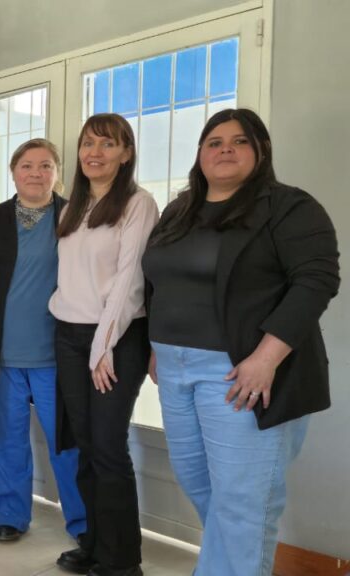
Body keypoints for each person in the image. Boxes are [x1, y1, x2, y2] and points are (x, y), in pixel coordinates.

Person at [143, 108, 339, 576]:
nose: (225, 149)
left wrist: (266, 358)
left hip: (240, 371)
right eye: (214, 142)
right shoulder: (179, 211)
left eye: (240, 141)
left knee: (243, 502)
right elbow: (160, 283)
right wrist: (156, 346)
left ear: (261, 151)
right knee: (200, 484)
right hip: (174, 369)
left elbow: (316, 280)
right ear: (200, 154)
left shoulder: (289, 207)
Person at [0, 139, 86, 543]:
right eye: (27, 165)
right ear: (13, 172)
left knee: (67, 443)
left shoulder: (75, 217)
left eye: (45, 165)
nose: (36, 173)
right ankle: (11, 516)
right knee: (7, 439)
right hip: (1, 355)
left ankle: (82, 523)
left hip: (57, 355)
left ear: (57, 174)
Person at [49, 113, 158, 576]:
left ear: (126, 153)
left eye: (108, 144)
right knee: (86, 446)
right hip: (70, 336)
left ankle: (122, 562)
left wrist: (103, 345)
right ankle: (94, 544)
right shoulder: (73, 207)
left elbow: (130, 280)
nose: (95, 153)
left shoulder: (138, 204)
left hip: (117, 339)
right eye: (88, 144)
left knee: (109, 447)